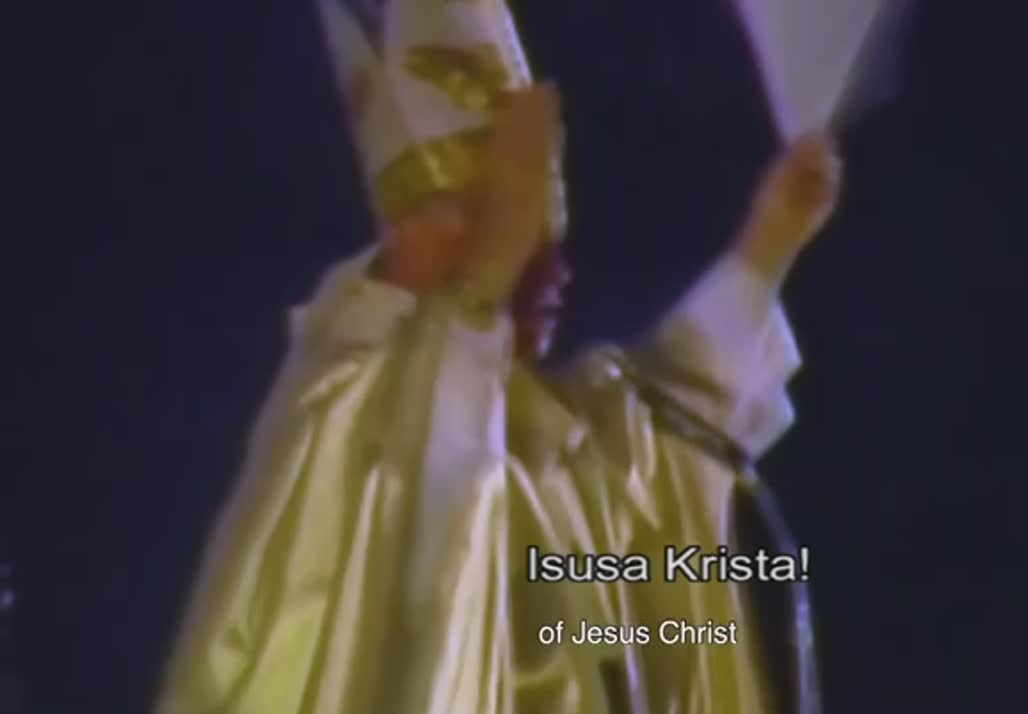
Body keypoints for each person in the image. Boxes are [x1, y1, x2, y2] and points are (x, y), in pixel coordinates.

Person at [153, 0, 839, 712]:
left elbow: (666, 461)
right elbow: (411, 544)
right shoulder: (345, 406)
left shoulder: (550, 434)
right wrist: (479, 286)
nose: (555, 273)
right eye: (518, 236)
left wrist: (766, 247)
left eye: (549, 239)